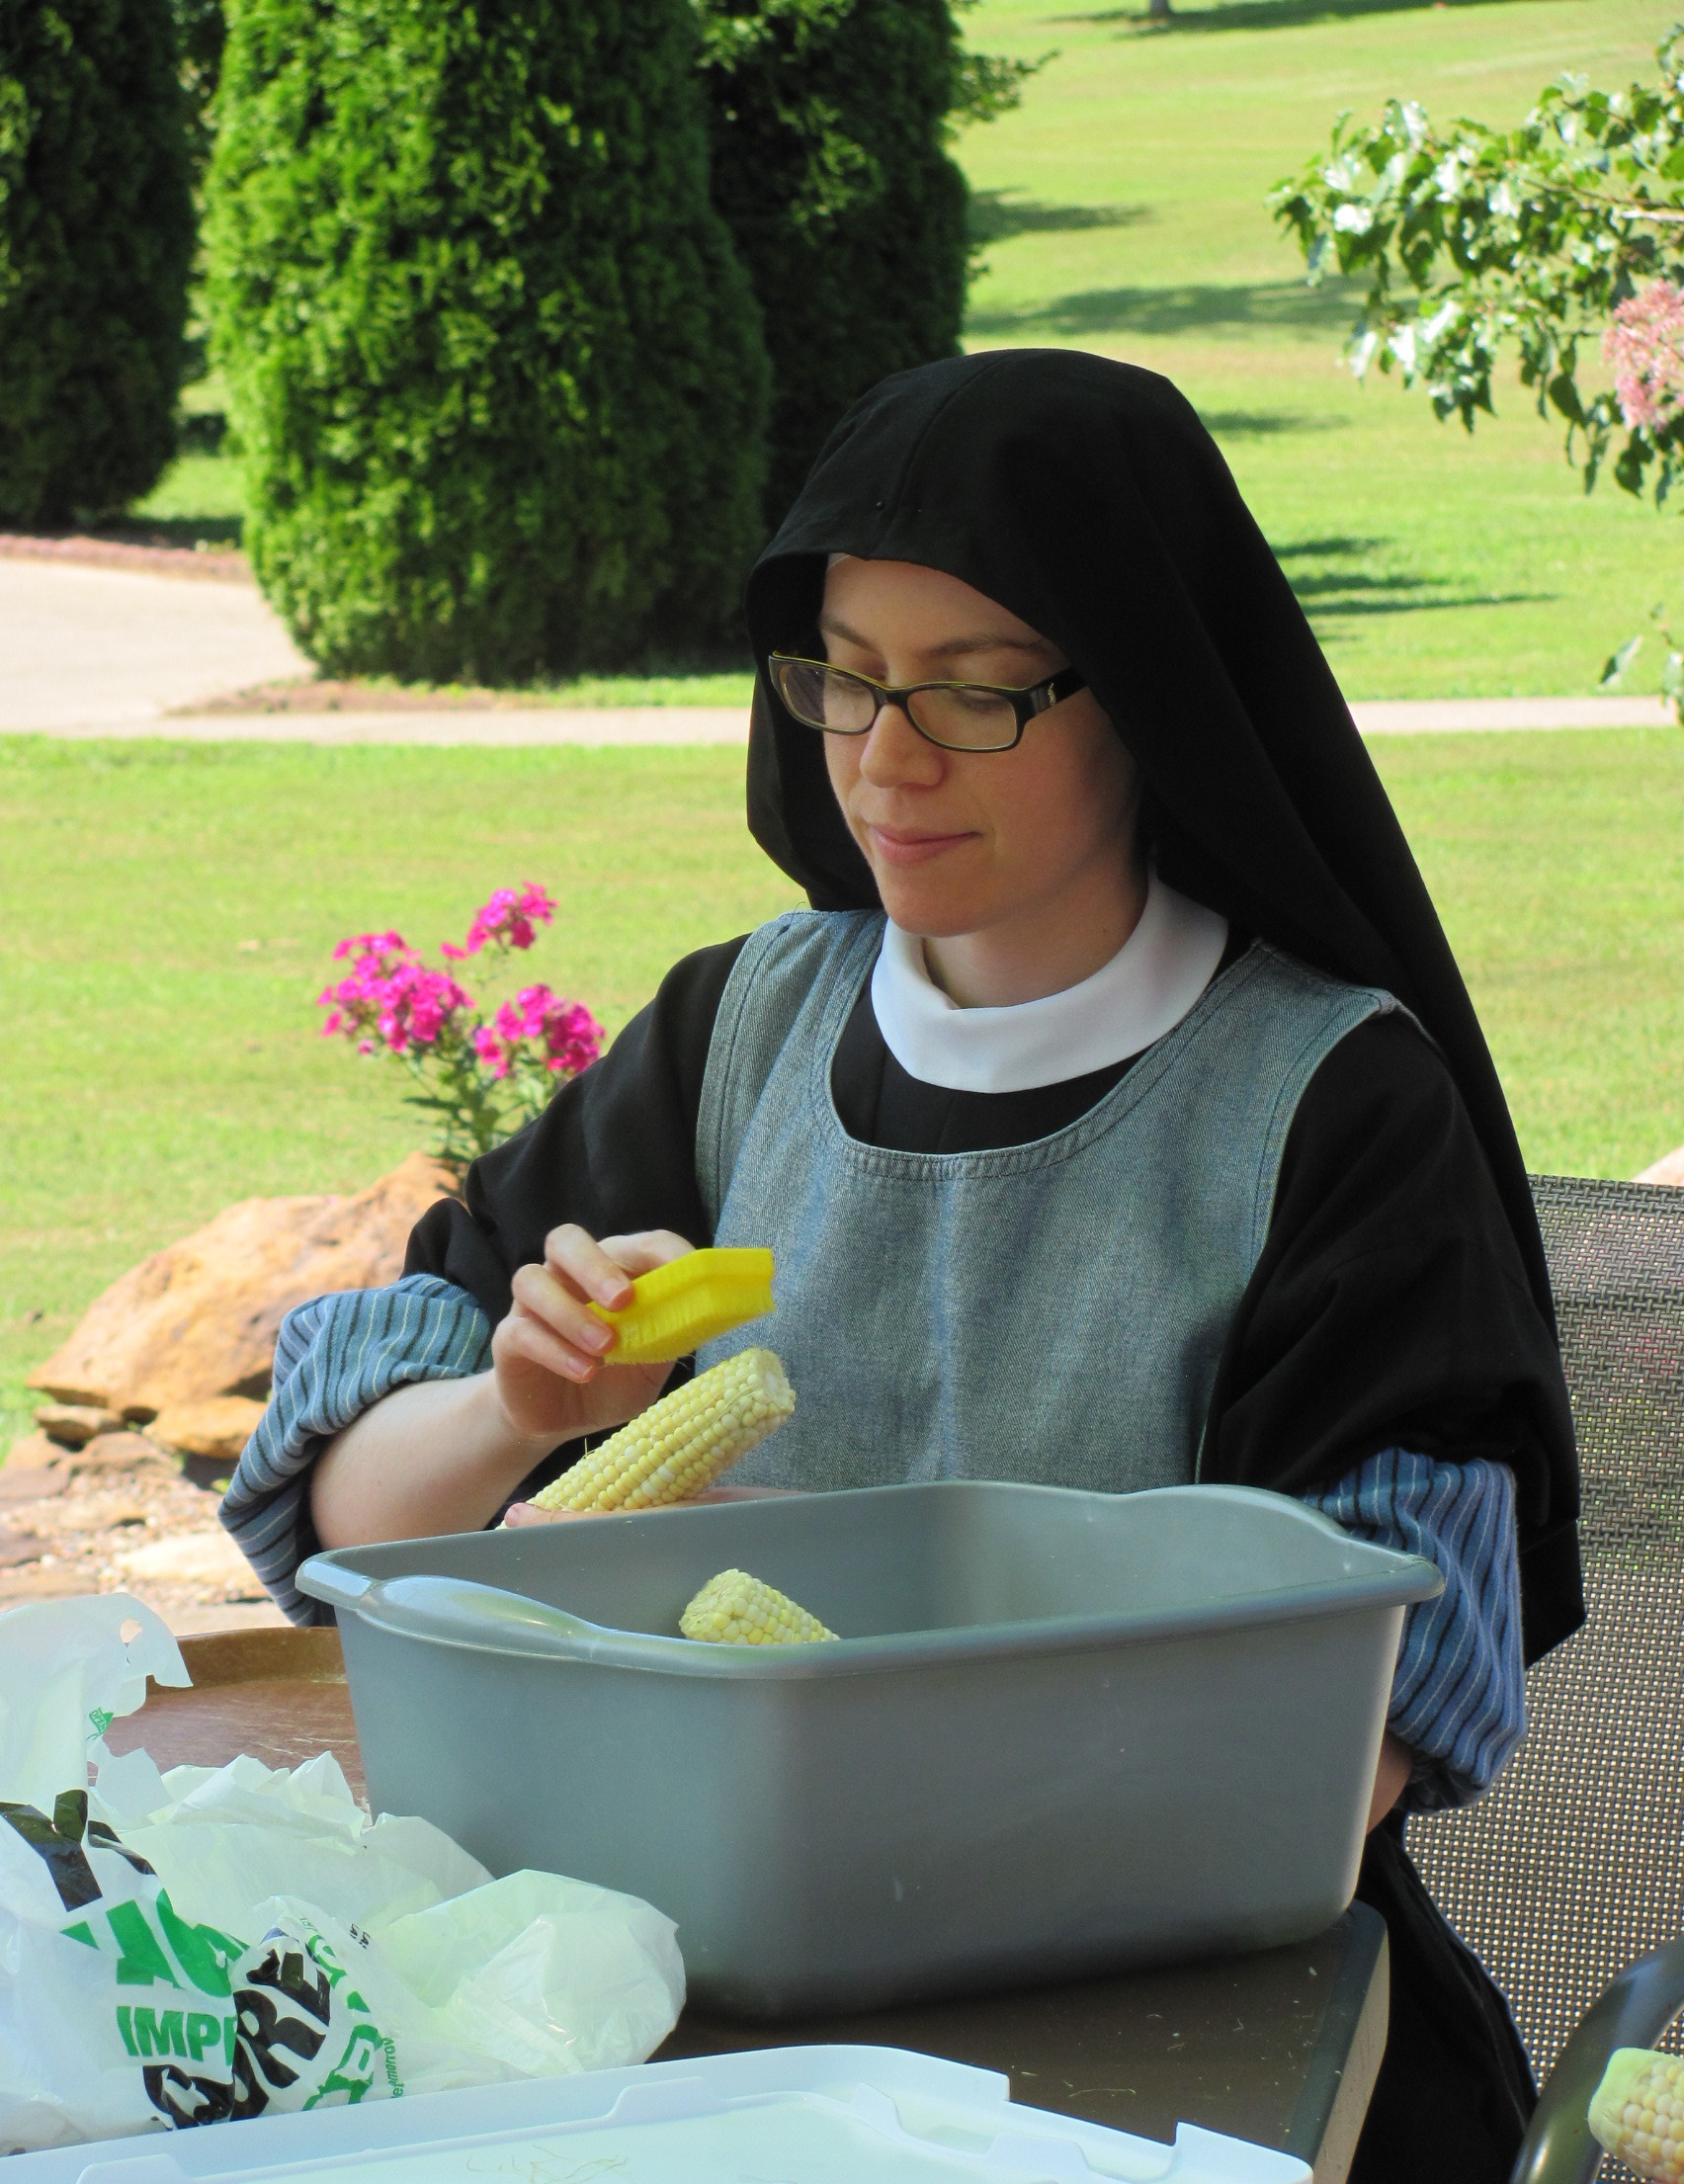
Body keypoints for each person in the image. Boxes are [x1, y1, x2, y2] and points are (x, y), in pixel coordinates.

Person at [223, 349, 1582, 2183]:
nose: (886, 761)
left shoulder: (1329, 1106)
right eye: (845, 682)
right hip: (704, 2031)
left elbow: (1346, 1749)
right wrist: (512, 1405)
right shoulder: (736, 1033)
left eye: (975, 697)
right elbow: (352, 1542)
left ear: (1151, 701)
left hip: (1188, 2054)